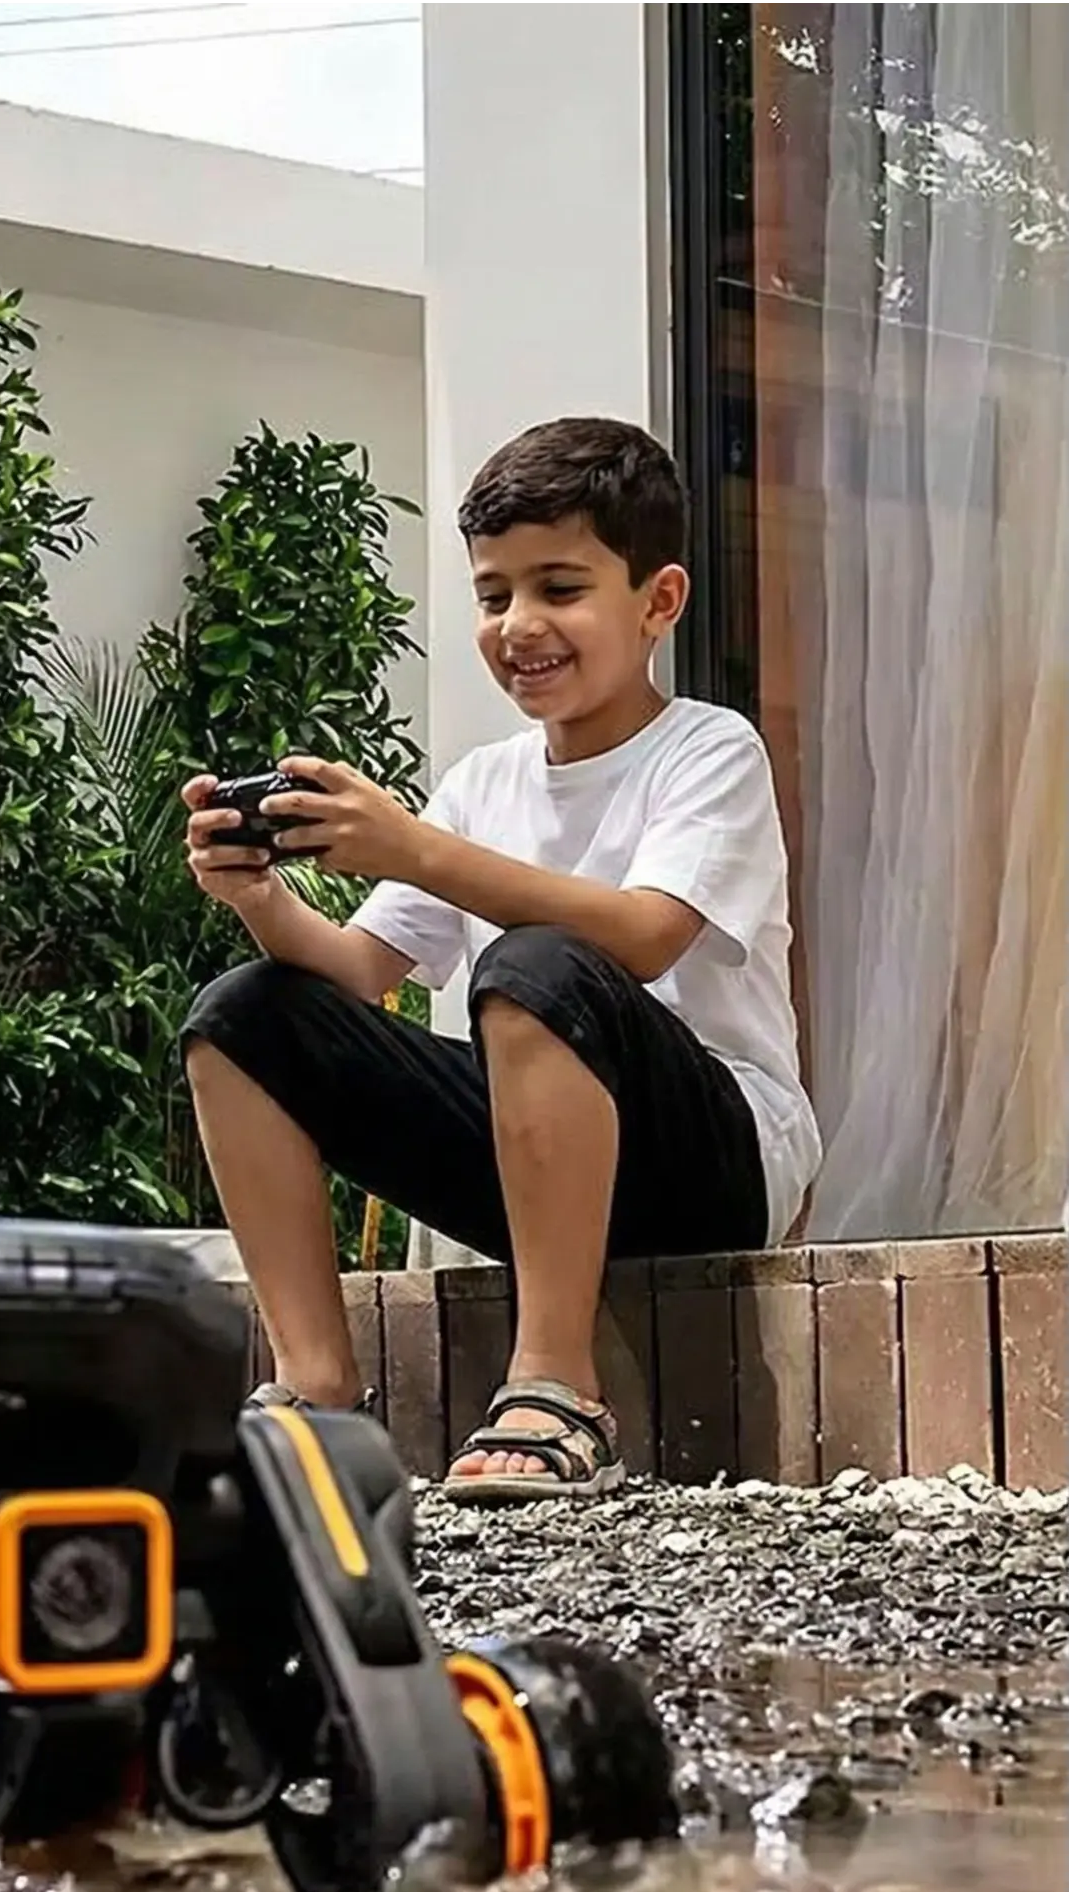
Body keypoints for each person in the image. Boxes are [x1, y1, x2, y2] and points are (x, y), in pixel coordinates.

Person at [177, 416, 820, 1504]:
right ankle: (314, 1390)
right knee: (242, 1015)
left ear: (658, 600)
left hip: (714, 1164)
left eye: (559, 588)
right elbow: (357, 974)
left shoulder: (707, 750)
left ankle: (556, 1385)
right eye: (492, 596)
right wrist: (258, 897)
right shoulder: (482, 782)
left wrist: (414, 848)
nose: (520, 625)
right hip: (535, 1164)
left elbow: (645, 933)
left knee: (537, 968)